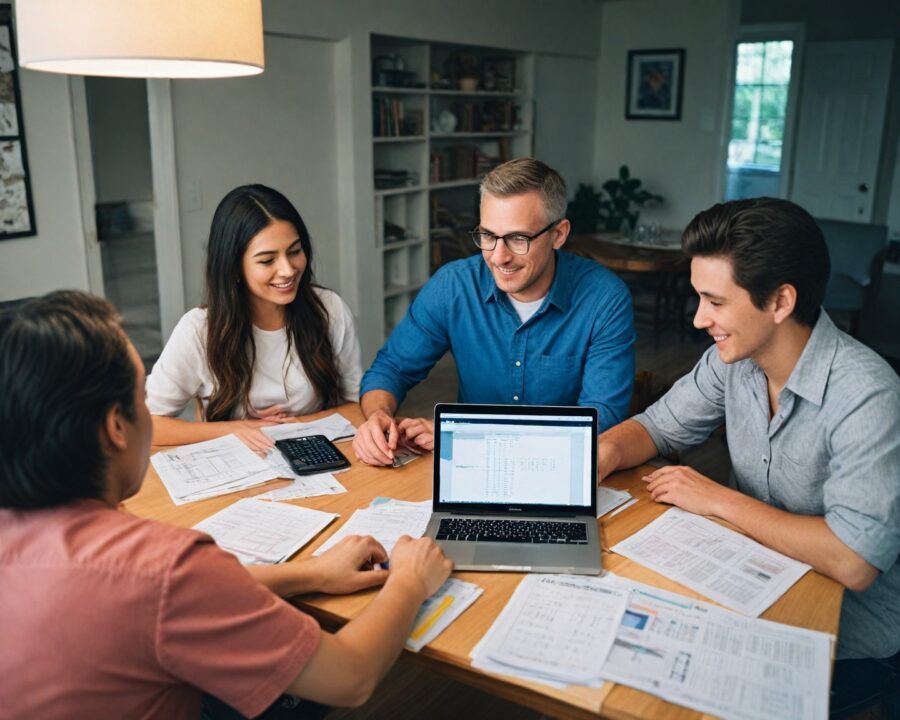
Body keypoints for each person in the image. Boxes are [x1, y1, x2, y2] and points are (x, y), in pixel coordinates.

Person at [0, 291, 453, 718]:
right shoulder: (165, 566)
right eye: (140, 399)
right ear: (115, 427)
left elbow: (185, 594)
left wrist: (313, 573)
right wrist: (410, 580)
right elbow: (350, 677)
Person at [597, 198, 900, 714]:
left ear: (780, 301)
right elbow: (654, 426)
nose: (699, 319)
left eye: (715, 302)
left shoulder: (868, 394)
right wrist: (602, 452)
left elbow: (855, 560)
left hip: (850, 631)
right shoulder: (733, 361)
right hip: (753, 579)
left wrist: (717, 500)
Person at [353, 158, 635, 466]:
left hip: (560, 468)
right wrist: (378, 415)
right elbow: (392, 368)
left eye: (518, 239)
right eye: (488, 236)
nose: (499, 257)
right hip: (471, 470)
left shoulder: (606, 299)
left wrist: (460, 436)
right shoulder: (454, 285)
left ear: (559, 234)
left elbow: (599, 419)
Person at [146, 184, 362, 455]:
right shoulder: (199, 330)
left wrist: (297, 427)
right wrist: (236, 429)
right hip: (238, 469)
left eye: (294, 252)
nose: (287, 270)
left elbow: (357, 407)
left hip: (317, 461)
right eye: (267, 260)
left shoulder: (329, 309)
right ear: (234, 266)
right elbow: (148, 424)